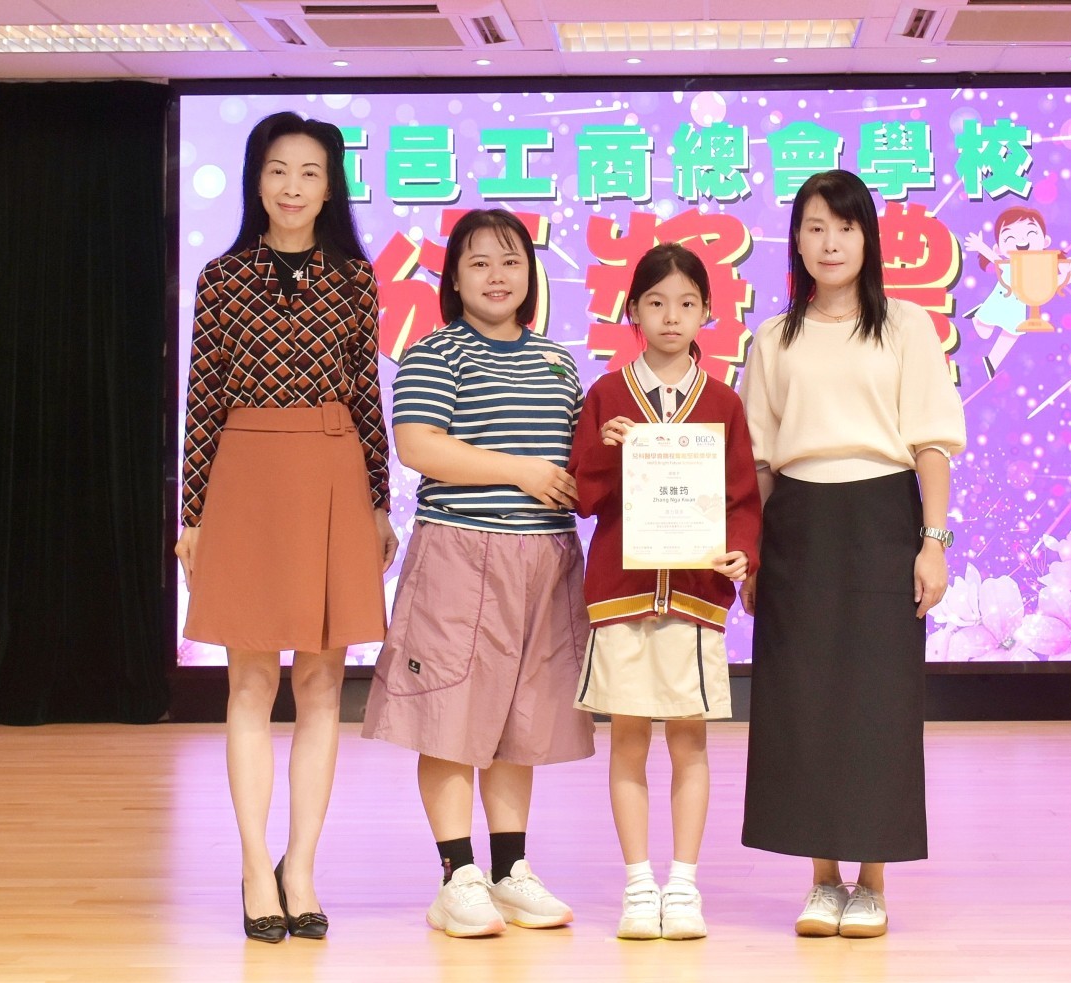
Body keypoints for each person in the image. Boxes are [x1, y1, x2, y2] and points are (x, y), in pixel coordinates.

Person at [174, 111, 398, 942]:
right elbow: (201, 400)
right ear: (256, 179)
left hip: (335, 472)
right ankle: (251, 865)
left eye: (309, 172)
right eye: (278, 170)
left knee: (320, 684)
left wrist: (380, 502)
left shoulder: (355, 279)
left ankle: (299, 865)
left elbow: (367, 397)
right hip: (246, 477)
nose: (293, 187)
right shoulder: (222, 277)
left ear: (331, 186)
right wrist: (192, 515)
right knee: (248, 681)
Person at [738, 170, 966, 939]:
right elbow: (761, 461)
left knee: (878, 700)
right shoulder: (774, 338)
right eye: (814, 227)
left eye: (845, 226)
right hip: (799, 523)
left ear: (868, 238)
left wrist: (932, 541)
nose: (830, 242)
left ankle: (870, 881)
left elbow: (932, 444)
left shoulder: (906, 325)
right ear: (796, 241)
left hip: (882, 519)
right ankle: (821, 879)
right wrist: (754, 552)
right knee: (801, 700)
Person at [361, 209, 595, 938]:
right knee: (451, 712)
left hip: (548, 556)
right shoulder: (436, 353)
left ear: (531, 274)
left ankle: (510, 869)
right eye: (480, 263)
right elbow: (419, 446)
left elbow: (579, 459)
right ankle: (456, 875)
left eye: (511, 261)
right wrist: (521, 471)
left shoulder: (557, 360)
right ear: (454, 279)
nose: (498, 276)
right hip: (462, 553)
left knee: (523, 718)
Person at [569, 244, 762, 941]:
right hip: (621, 595)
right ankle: (637, 882)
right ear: (633, 312)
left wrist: (744, 554)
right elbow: (583, 495)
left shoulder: (724, 403)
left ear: (708, 311)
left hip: (695, 598)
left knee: (689, 742)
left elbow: (742, 498)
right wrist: (607, 448)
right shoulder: (607, 395)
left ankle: (683, 883)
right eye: (656, 303)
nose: (671, 316)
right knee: (626, 740)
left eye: (686, 303)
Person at [963, 206, 1071, 378]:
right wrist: (980, 246)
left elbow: (1047, 284)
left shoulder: (1040, 267)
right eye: (1010, 238)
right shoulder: (1009, 266)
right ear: (999, 248)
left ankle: (992, 362)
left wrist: (1068, 276)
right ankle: (978, 315)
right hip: (999, 302)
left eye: (1031, 234)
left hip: (1018, 307)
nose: (1021, 242)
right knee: (984, 333)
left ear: (1045, 241)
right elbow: (994, 258)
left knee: (1012, 333)